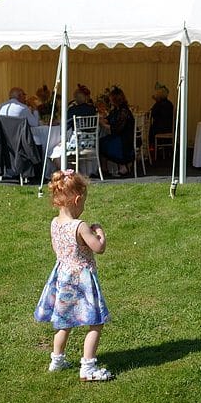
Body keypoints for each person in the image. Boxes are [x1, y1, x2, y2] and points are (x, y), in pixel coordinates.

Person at [33, 170, 114, 382]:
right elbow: (98, 248)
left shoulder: (54, 223)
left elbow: (57, 249)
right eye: (84, 202)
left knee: (64, 321)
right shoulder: (80, 226)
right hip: (82, 280)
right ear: (77, 200)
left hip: (62, 276)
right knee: (95, 322)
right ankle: (87, 367)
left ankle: (57, 360)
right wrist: (100, 233)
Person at [100, 86, 135, 176]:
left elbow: (117, 129)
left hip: (125, 139)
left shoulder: (124, 111)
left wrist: (103, 124)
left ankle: (123, 166)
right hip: (120, 136)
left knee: (105, 143)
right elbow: (109, 118)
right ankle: (104, 169)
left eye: (111, 98)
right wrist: (102, 119)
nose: (109, 100)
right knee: (101, 141)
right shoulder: (116, 110)